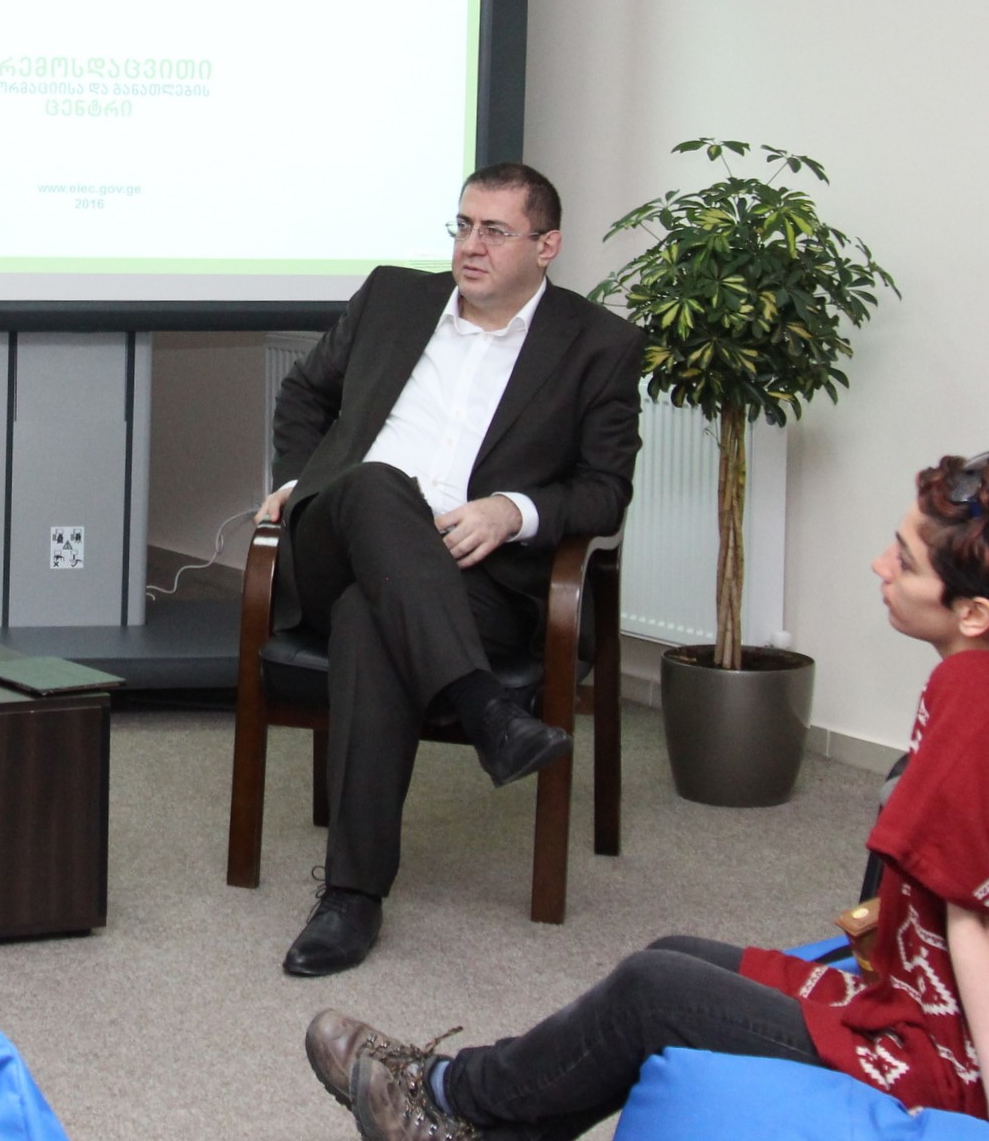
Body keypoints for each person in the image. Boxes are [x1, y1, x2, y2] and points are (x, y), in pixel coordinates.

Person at [306, 451, 989, 1140]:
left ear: (972, 613)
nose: (880, 565)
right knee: (676, 953)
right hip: (895, 1000)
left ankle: (446, 1096)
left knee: (652, 989)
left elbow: (971, 925)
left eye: (904, 562)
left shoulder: (968, 695)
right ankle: (478, 1124)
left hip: (929, 1057)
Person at [257, 163, 643, 976]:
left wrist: (512, 510)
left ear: (546, 246)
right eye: (463, 225)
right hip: (338, 536)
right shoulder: (392, 297)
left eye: (494, 231)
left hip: (475, 576)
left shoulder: (597, 345)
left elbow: (604, 490)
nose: (471, 246)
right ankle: (482, 707)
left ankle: (351, 897)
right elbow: (303, 396)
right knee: (373, 483)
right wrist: (297, 482)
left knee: (370, 620)